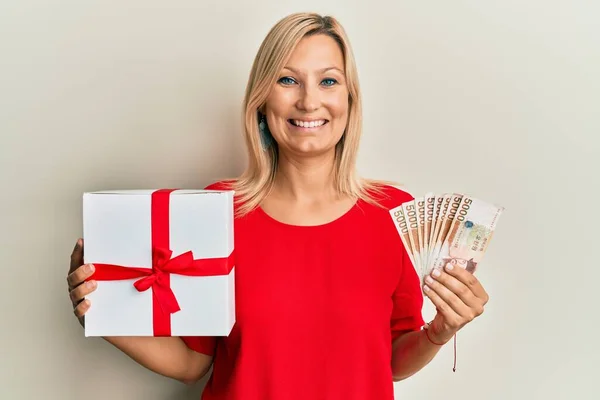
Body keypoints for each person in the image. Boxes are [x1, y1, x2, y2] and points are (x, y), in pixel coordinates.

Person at [66, 12, 489, 400]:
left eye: (328, 81)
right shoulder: (217, 209)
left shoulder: (394, 214)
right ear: (262, 99)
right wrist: (101, 316)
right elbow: (192, 363)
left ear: (350, 99)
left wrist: (440, 329)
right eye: (288, 80)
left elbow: (392, 361)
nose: (308, 101)